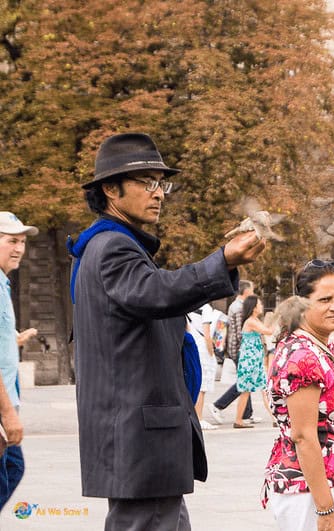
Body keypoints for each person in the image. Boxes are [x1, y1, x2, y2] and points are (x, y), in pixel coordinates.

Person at [69, 133, 265, 529]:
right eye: (146, 182)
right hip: (141, 442)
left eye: (161, 183)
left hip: (141, 444)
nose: (158, 193)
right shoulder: (112, 247)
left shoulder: (111, 245)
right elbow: (158, 292)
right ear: (110, 189)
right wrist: (222, 261)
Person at [264, 261, 334, 530]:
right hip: (311, 490)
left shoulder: (320, 347)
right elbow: (303, 436)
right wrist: (326, 509)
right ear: (302, 305)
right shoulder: (303, 355)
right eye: (325, 299)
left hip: (328, 482)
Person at [0, 211, 38, 511]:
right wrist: (8, 414)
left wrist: (13, 341)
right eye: (11, 241)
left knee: (13, 467)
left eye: (22, 242)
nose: (19, 249)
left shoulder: (3, 283)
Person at [210, 280, 260, 425]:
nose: (253, 293)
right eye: (252, 290)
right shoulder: (239, 308)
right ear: (246, 291)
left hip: (238, 348)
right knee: (244, 382)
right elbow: (240, 333)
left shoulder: (237, 306)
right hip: (240, 349)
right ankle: (218, 405)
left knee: (246, 381)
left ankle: (246, 414)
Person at [233, 296, 270, 429]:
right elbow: (268, 331)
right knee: (247, 391)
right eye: (259, 304)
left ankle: (274, 418)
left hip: (254, 360)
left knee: (260, 389)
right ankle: (238, 420)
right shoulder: (250, 322)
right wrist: (277, 318)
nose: (261, 306)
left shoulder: (255, 320)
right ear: (254, 307)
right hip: (249, 360)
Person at [187, 303, 219, 431]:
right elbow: (207, 333)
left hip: (191, 345)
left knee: (194, 381)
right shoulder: (206, 308)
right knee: (202, 384)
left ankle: (194, 416)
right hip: (203, 348)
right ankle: (199, 417)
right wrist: (211, 351)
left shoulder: (189, 306)